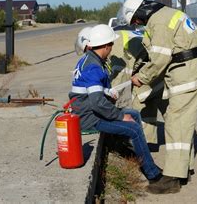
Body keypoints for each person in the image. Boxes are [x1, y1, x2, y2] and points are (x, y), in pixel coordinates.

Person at [118, 0, 197, 194]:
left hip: (185, 76)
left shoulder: (158, 22)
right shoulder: (168, 14)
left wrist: (142, 78)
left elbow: (160, 58)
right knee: (182, 123)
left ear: (139, 12)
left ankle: (172, 179)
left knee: (175, 124)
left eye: (136, 20)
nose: (138, 24)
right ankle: (184, 169)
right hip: (190, 72)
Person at [68, 24, 161, 183]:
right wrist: (119, 115)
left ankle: (133, 153)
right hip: (90, 118)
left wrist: (107, 93)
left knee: (134, 114)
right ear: (105, 46)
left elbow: (92, 92)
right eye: (111, 45)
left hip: (86, 111)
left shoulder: (88, 59)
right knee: (134, 128)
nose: (112, 48)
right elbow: (97, 103)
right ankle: (153, 174)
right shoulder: (93, 66)